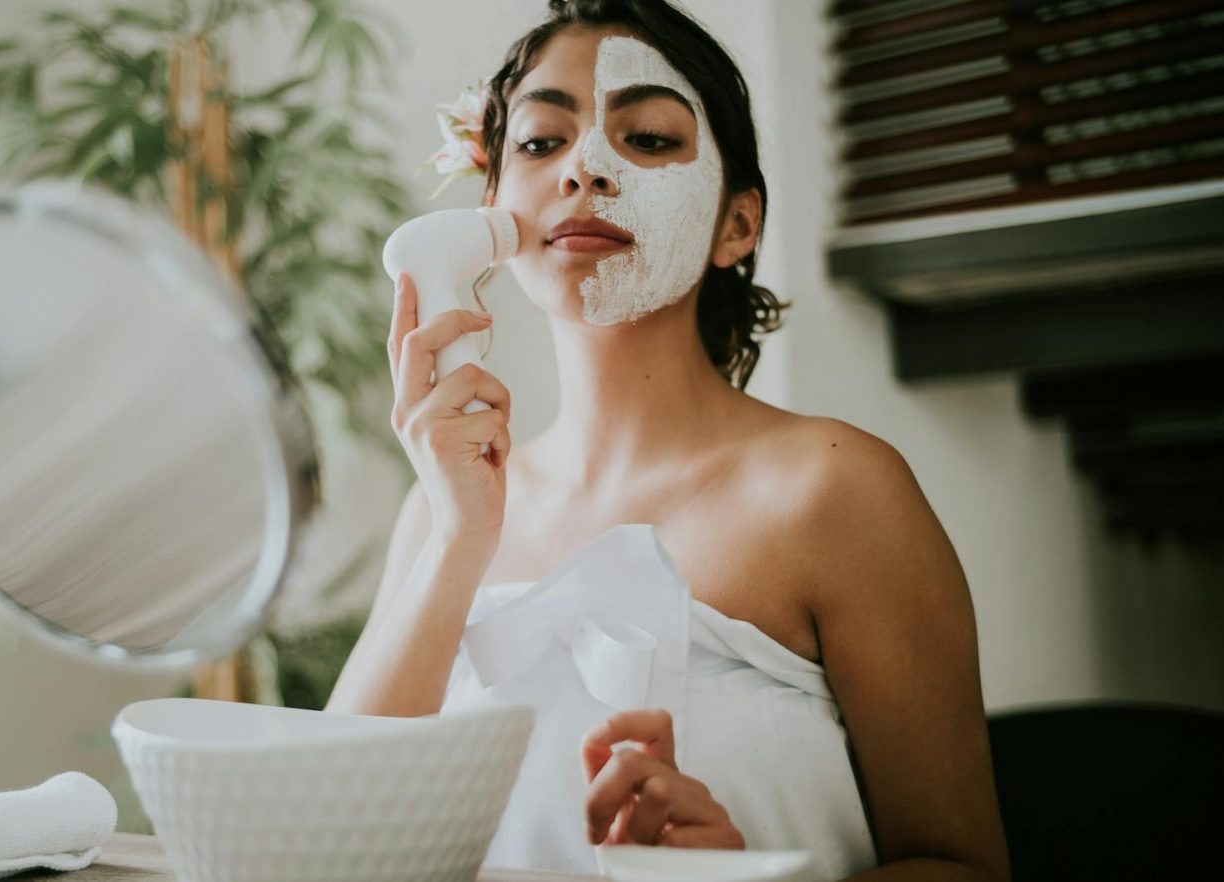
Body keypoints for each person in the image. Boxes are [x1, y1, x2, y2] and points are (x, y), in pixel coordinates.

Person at [326, 2, 1010, 880]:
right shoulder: (437, 516)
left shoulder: (833, 492)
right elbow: (327, 836)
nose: (587, 168)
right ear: (491, 213)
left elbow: (965, 867)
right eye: (540, 143)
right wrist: (459, 541)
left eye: (647, 138)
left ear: (738, 224)